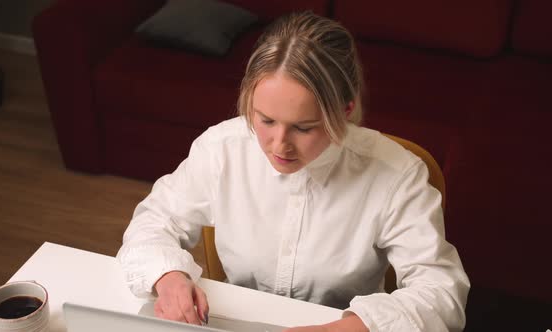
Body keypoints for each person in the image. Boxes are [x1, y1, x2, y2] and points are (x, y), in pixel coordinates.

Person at [117, 11, 469, 332]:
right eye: (265, 120)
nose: (278, 145)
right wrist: (168, 276)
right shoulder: (221, 148)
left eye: (304, 128)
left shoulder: (396, 173)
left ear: (345, 111)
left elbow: (442, 293)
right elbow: (153, 222)